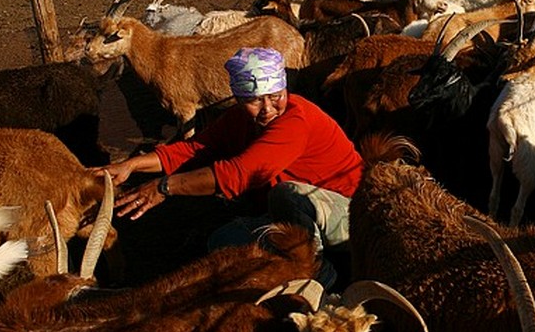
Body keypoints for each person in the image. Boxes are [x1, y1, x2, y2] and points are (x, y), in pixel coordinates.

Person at [95, 47, 363, 286]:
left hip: (353, 214)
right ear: (237, 98)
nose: (267, 109)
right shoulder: (239, 119)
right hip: (301, 213)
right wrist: (131, 165)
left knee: (286, 194)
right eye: (254, 100)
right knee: (224, 240)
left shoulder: (295, 121)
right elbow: (195, 149)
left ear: (285, 90)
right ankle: (288, 262)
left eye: (275, 96)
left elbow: (240, 174)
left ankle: (319, 276)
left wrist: (164, 187)